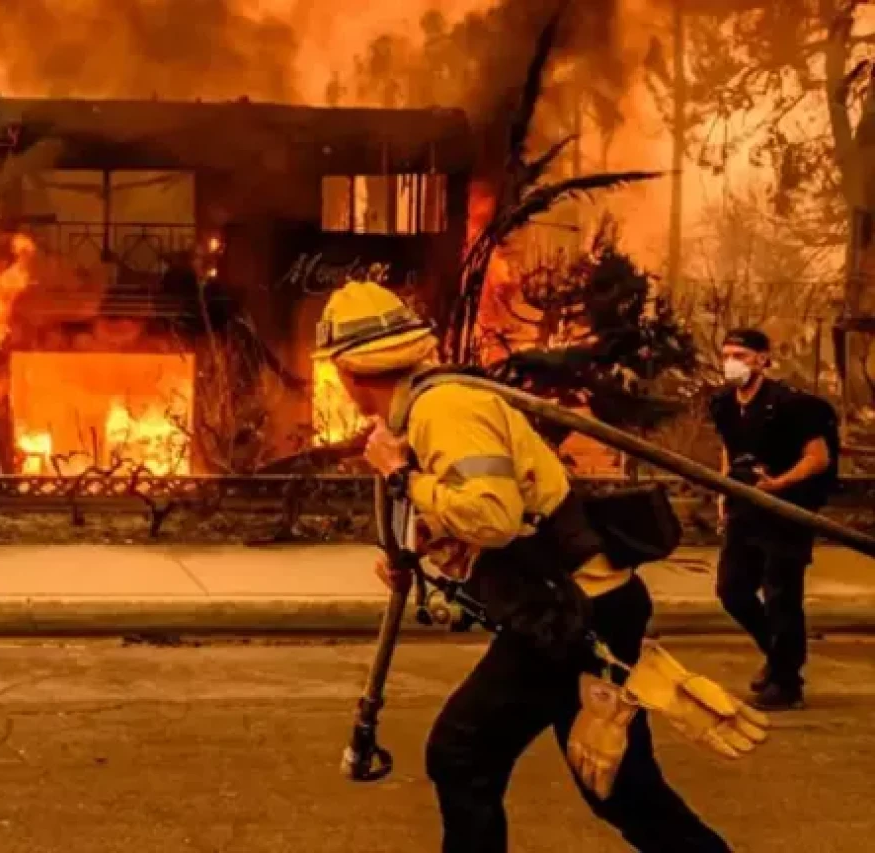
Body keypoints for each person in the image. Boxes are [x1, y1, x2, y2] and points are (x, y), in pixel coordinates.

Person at [315, 280, 761, 853]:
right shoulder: (429, 408)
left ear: (347, 375)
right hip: (577, 608)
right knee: (619, 789)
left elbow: (493, 516)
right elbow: (495, 513)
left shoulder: (442, 409)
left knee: (462, 752)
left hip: (574, 615)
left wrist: (402, 476)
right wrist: (428, 542)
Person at [709, 328, 839, 711]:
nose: (733, 363)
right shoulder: (724, 404)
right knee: (732, 591)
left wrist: (778, 484)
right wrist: (723, 492)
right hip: (744, 509)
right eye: (728, 354)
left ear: (763, 359)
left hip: (787, 511)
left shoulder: (793, 405)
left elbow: (818, 457)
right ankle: (781, 659)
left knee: (782, 594)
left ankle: (786, 684)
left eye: (743, 356)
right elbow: (728, 450)